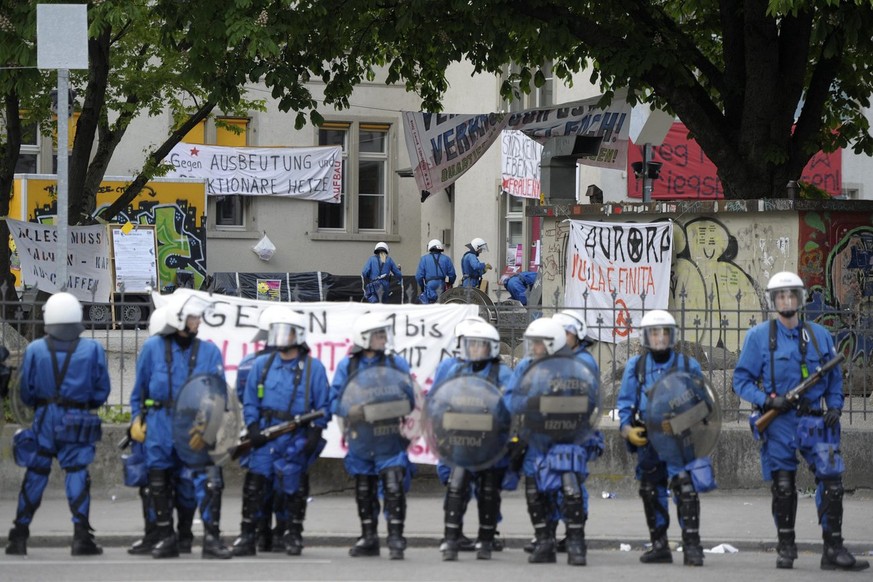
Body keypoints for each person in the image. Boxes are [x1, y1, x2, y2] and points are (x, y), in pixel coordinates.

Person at [733, 272, 869, 572]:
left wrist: (834, 407)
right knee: (784, 486)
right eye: (780, 296)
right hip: (779, 421)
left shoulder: (819, 335)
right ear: (773, 300)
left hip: (815, 421)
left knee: (833, 483)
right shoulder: (758, 336)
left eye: (791, 295)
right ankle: (786, 547)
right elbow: (740, 381)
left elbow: (834, 377)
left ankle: (833, 549)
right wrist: (768, 401)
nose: (786, 300)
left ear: (800, 298)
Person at [6, 292, 111, 556]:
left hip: (44, 419)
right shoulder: (93, 349)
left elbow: (25, 392)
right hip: (78, 419)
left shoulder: (35, 349)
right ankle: (80, 537)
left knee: (36, 473)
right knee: (76, 473)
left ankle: (19, 535)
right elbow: (102, 390)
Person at [129, 292, 233, 559]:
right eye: (193, 317)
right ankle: (166, 538)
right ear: (178, 320)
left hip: (194, 426)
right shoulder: (153, 349)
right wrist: (135, 419)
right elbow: (138, 391)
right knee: (158, 482)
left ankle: (211, 538)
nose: (198, 321)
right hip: (160, 425)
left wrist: (209, 429)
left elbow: (218, 396)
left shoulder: (209, 351)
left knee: (208, 483)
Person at [232, 307, 330, 557]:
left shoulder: (313, 368)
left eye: (286, 333)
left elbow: (323, 405)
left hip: (295, 437)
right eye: (277, 332)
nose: (280, 338)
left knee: (294, 489)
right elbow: (251, 400)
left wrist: (315, 434)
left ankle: (292, 535)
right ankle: (248, 536)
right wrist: (253, 427)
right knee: (254, 487)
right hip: (265, 436)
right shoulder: (262, 365)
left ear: (297, 336)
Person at [503, 318, 602, 566]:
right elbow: (511, 400)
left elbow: (589, 399)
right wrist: (532, 404)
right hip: (536, 436)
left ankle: (576, 543)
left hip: (566, 434)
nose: (532, 348)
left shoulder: (572, 366)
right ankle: (544, 541)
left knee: (570, 488)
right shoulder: (526, 366)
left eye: (537, 344)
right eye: (532, 343)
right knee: (536, 490)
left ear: (551, 343)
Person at [616, 309, 710, 567]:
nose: (659, 339)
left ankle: (692, 546)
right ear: (646, 337)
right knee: (650, 490)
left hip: (681, 439)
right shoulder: (636, 367)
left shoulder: (688, 366)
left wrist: (680, 424)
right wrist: (627, 429)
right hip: (650, 439)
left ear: (672, 336)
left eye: (664, 333)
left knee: (685, 489)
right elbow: (625, 405)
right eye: (654, 334)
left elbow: (704, 405)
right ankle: (659, 545)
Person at [329, 313, 416, 560]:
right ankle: (369, 537)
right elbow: (334, 400)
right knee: (364, 488)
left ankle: (396, 537)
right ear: (364, 338)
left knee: (393, 486)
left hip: (389, 435)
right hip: (361, 436)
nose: (383, 338)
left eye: (384, 333)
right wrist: (350, 410)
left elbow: (410, 399)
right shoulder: (349, 365)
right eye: (378, 334)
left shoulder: (396, 363)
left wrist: (395, 402)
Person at [433, 320, 512, 561]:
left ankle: (486, 541)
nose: (476, 350)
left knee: (489, 491)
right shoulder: (457, 369)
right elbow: (440, 400)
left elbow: (511, 404)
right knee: (457, 486)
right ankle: (451, 539)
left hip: (489, 442)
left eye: (481, 345)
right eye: (472, 345)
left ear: (491, 348)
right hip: (461, 441)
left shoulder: (502, 372)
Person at [416, 239, 456, 304]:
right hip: (441, 284)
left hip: (429, 284)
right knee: (442, 303)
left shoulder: (424, 259)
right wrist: (450, 283)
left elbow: (419, 276)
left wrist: (422, 287)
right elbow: (452, 274)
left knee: (429, 304)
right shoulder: (446, 259)